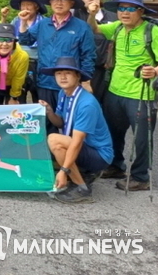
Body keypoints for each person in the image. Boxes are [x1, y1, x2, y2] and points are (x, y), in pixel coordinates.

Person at [87, 0, 158, 191]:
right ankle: (115, 166)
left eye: (130, 9)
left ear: (140, 11)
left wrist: (155, 70)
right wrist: (92, 14)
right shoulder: (117, 27)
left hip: (141, 93)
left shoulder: (152, 31)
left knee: (142, 138)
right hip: (115, 90)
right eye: (121, 8)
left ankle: (140, 177)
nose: (125, 12)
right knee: (114, 132)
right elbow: (94, 28)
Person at [42, 56, 114, 203]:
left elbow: (77, 142)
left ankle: (81, 188)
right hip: (84, 147)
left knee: (54, 140)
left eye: (68, 73)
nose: (62, 77)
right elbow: (60, 123)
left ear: (78, 76)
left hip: (99, 155)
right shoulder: (63, 93)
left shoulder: (86, 104)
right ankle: (83, 174)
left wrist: (63, 171)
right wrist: (49, 111)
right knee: (50, 141)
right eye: (58, 73)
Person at [18, 0, 96, 112]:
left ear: (71, 3)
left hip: (69, 84)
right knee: (47, 119)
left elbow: (88, 55)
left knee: (69, 120)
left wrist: (85, 80)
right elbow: (25, 40)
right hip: (45, 82)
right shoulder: (43, 24)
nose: (59, 3)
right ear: (50, 2)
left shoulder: (82, 27)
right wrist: (23, 22)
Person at [73, 0, 117, 106]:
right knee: (90, 103)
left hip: (110, 69)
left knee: (110, 105)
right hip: (87, 69)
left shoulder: (114, 17)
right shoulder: (77, 17)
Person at [9, 0, 47, 102]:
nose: (25, 7)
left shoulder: (44, 22)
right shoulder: (16, 21)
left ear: (36, 7)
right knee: (19, 93)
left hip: (38, 62)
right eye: (23, 5)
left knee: (38, 95)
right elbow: (9, 37)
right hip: (19, 61)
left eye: (29, 4)